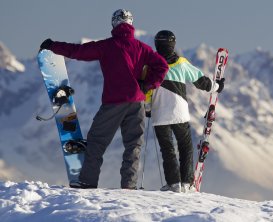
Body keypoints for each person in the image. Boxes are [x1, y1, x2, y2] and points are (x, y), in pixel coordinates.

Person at [39, 9, 168, 189]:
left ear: (114, 23)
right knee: (133, 145)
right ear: (131, 23)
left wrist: (53, 45)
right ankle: (129, 186)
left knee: (97, 142)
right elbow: (162, 65)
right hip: (136, 101)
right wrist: (147, 85)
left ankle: (87, 181)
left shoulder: (107, 46)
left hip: (114, 102)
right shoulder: (141, 48)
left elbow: (78, 51)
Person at [148, 30, 225, 193]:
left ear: (157, 44)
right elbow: (201, 81)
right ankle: (187, 183)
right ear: (173, 44)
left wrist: (147, 108)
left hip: (159, 114)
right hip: (179, 112)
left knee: (167, 149)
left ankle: (173, 184)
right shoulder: (182, 63)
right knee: (185, 147)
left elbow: (145, 88)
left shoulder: (149, 63)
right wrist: (217, 86)